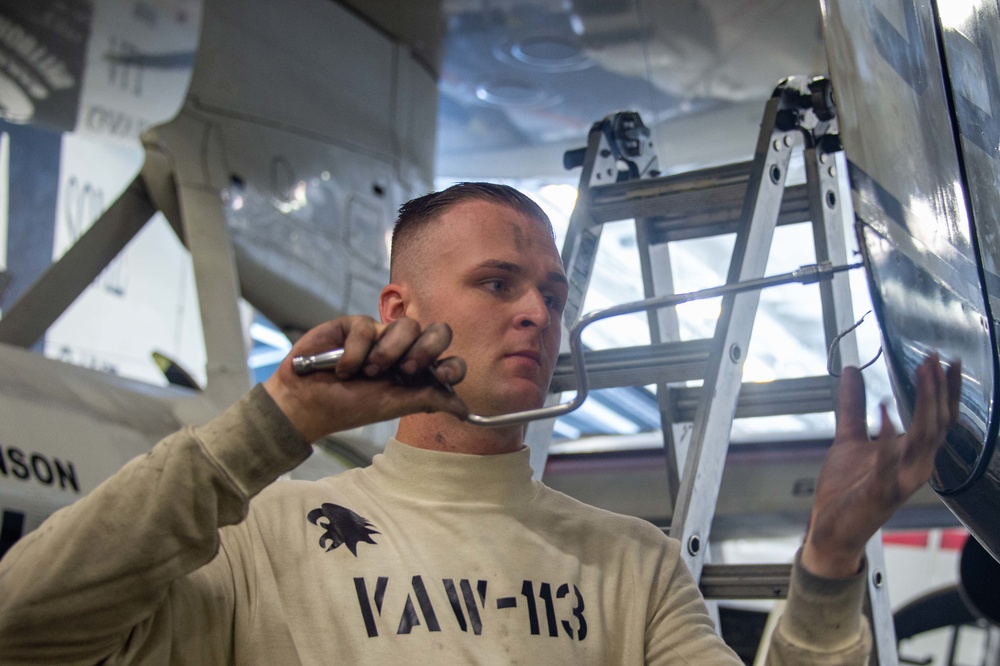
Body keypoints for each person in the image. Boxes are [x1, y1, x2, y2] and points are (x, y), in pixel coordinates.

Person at [0, 183, 961, 664]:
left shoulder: (632, 567)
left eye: (552, 291)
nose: (539, 312)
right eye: (497, 284)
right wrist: (271, 423)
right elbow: (21, 626)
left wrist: (830, 564)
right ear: (400, 304)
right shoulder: (262, 538)